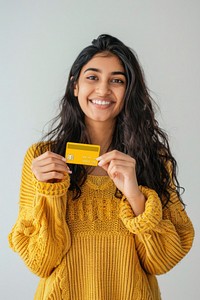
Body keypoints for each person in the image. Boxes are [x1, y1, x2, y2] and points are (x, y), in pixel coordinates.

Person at [8, 34, 194, 300]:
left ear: (128, 90)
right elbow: (40, 262)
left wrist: (135, 195)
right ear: (75, 86)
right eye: (92, 77)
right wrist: (50, 193)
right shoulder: (41, 158)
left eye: (116, 80)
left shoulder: (154, 159)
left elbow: (162, 261)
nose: (103, 90)